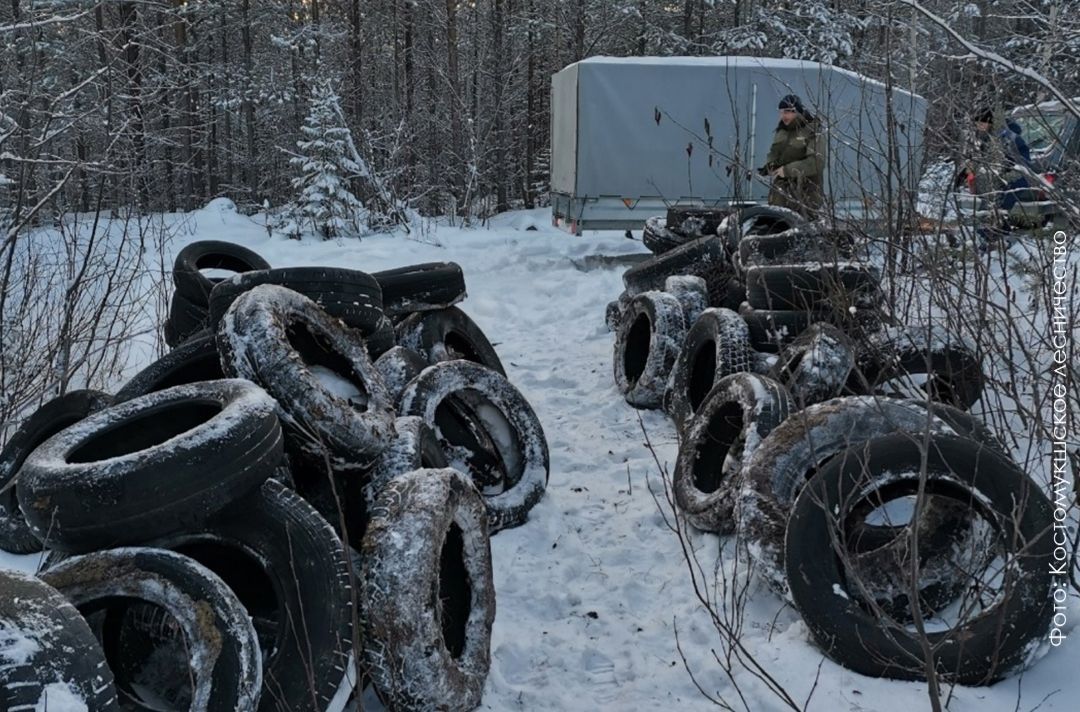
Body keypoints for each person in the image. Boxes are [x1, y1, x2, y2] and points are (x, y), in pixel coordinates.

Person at [757, 94, 825, 220]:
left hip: (805, 195)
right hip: (781, 195)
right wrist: (770, 165)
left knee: (803, 231)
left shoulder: (812, 131)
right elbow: (774, 152)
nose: (783, 116)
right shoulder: (782, 131)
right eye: (781, 112)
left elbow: (816, 162)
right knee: (777, 225)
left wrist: (787, 170)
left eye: (787, 112)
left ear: (797, 111)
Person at [968, 106, 1033, 215]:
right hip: (994, 183)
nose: (978, 126)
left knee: (998, 214)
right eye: (977, 123)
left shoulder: (1008, 138)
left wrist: (1003, 176)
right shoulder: (987, 137)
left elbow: (1023, 165)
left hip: (1012, 182)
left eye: (981, 123)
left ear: (989, 122)